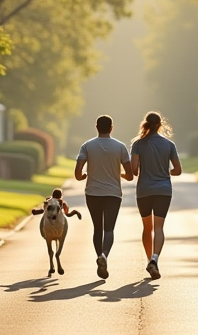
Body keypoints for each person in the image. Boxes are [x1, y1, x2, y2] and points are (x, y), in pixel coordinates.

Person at [74, 115, 133, 279]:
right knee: (109, 229)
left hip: (93, 192)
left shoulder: (87, 146)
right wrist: (118, 173)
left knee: (97, 228)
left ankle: (99, 256)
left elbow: (78, 173)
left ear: (96, 127)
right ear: (111, 128)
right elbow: (130, 175)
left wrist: (83, 176)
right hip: (113, 194)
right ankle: (104, 256)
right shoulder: (120, 147)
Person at [130, 111, 181, 280]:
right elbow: (178, 170)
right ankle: (155, 259)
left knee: (147, 227)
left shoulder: (138, 144)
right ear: (160, 125)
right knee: (159, 228)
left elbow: (134, 170)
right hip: (163, 190)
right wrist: (166, 171)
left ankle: (149, 260)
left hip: (144, 190)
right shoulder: (169, 145)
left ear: (145, 124)